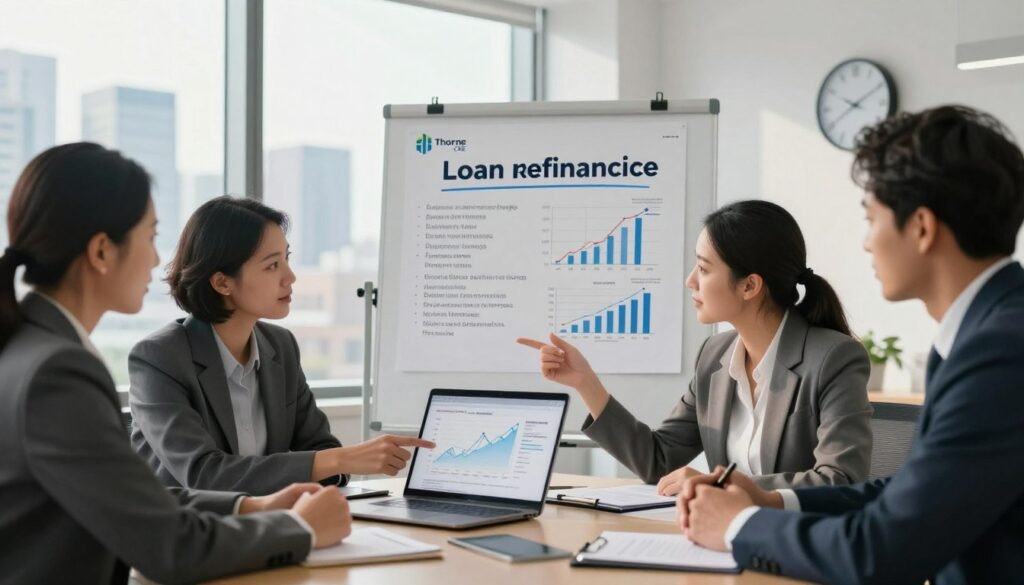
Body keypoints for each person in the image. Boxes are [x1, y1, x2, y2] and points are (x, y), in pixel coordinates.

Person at [680, 105, 1024, 585]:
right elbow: (907, 491)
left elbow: (880, 553)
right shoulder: (986, 332)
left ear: (921, 227)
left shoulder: (1001, 353)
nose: (866, 243)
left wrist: (738, 526)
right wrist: (770, 499)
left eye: (872, 218)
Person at [0, 143, 351, 584]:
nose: (154, 258)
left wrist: (250, 506)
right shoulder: (57, 373)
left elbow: (134, 498)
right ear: (102, 252)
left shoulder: (34, 349)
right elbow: (171, 548)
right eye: (149, 237)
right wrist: (301, 529)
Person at [519, 200, 872, 492]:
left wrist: (718, 485)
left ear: (749, 286)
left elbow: (840, 480)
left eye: (703, 269)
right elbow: (657, 461)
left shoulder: (832, 359)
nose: (690, 280)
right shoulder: (714, 356)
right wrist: (586, 383)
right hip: (723, 537)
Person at [129, 196, 434, 495]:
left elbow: (320, 447)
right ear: (222, 283)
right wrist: (340, 459)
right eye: (272, 265)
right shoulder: (159, 358)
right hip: (190, 535)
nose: (290, 277)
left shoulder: (280, 346)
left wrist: (334, 465)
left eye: (286, 258)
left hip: (270, 524)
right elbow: (204, 475)